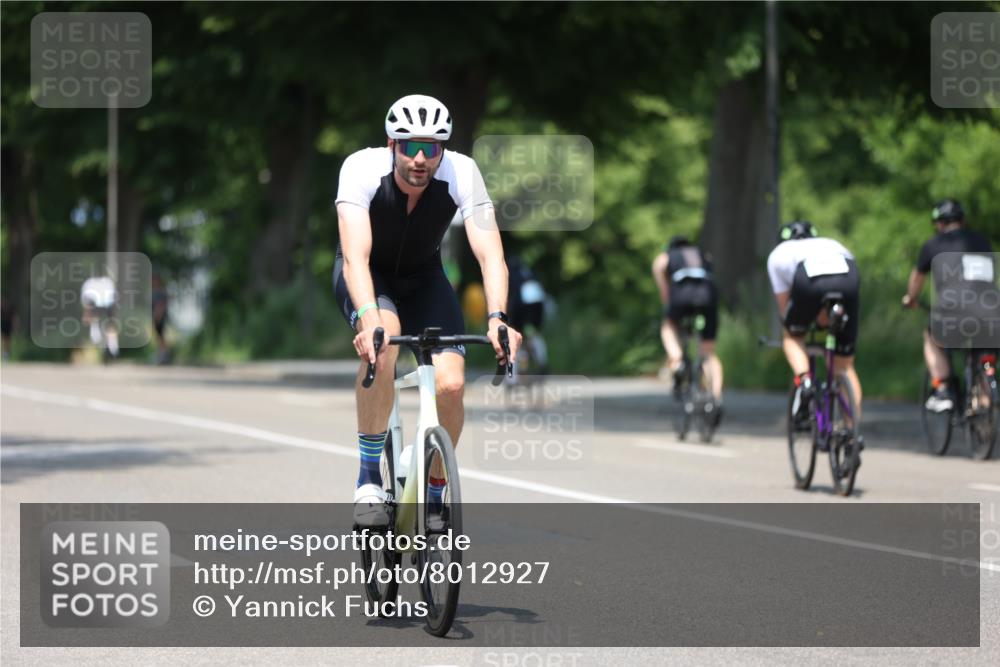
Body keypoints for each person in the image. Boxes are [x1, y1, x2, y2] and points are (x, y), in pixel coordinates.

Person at [334, 94, 522, 527]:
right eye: (410, 146)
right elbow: (356, 258)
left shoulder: (462, 172)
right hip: (369, 276)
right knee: (383, 345)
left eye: (431, 148)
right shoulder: (360, 169)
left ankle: (435, 490)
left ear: (443, 150)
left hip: (424, 278)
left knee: (451, 384)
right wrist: (369, 318)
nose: (420, 158)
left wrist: (498, 318)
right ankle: (368, 480)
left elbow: (491, 255)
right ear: (391, 144)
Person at [902, 199, 997, 412]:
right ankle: (984, 409)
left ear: (940, 223)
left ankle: (943, 387)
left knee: (931, 336)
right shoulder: (981, 241)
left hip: (953, 313)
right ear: (962, 220)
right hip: (991, 312)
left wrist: (911, 299)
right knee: (984, 356)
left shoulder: (934, 244)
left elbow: (917, 278)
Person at [766, 221, 862, 423]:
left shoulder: (778, 254)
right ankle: (852, 430)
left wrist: (795, 328)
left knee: (791, 336)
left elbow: (784, 308)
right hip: (849, 276)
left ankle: (805, 381)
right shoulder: (830, 243)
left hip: (809, 278)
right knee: (844, 367)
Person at [651, 236, 723, 414]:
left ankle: (676, 361)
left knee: (668, 326)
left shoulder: (666, 256)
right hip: (708, 295)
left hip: (681, 294)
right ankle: (715, 397)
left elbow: (663, 284)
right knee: (708, 352)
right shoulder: (703, 255)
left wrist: (668, 306)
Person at [506, 255, 548, 373]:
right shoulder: (529, 272)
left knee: (517, 336)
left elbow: (512, 297)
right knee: (533, 333)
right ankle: (542, 362)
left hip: (522, 306)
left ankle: (515, 372)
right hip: (537, 305)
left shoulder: (512, 273)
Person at [80, 274, 119, 358]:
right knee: (110, 323)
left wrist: (86, 314)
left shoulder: (89, 283)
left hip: (98, 304)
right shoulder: (108, 282)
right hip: (107, 303)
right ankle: (112, 345)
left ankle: (98, 335)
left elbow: (85, 301)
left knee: (100, 321)